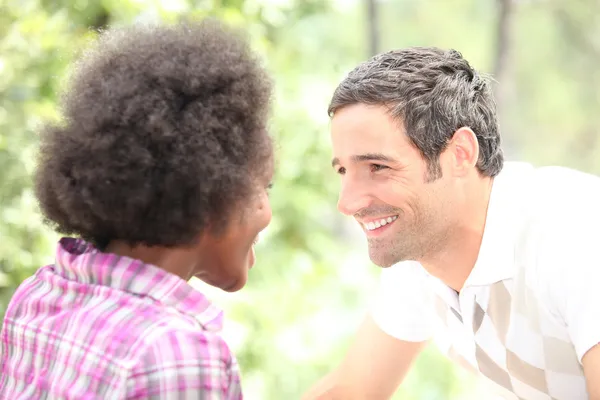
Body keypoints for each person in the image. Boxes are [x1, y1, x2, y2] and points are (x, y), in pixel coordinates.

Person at [303, 47, 600, 400]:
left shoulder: (576, 232)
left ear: (460, 153)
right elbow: (352, 390)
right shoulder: (421, 250)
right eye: (343, 171)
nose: (346, 202)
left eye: (377, 168)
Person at [0, 19, 274, 399]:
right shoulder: (174, 352)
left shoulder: (40, 296)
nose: (267, 212)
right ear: (215, 191)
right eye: (265, 187)